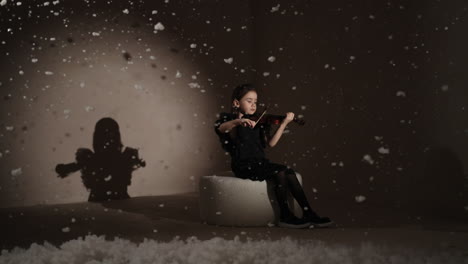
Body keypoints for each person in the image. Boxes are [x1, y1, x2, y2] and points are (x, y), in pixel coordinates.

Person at [214, 84, 333, 228]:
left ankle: (309, 213)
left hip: (260, 162)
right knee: (279, 172)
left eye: (255, 102)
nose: (253, 105)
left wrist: (283, 124)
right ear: (236, 103)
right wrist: (239, 121)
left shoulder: (259, 122)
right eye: (249, 101)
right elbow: (221, 128)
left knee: (288, 171)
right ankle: (285, 216)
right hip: (243, 165)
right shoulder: (231, 122)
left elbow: (270, 144)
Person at [55, 117, 146, 202]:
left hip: (99, 201)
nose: (109, 138)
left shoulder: (91, 158)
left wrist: (65, 169)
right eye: (106, 134)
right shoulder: (124, 156)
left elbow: (76, 166)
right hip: (119, 200)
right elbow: (77, 166)